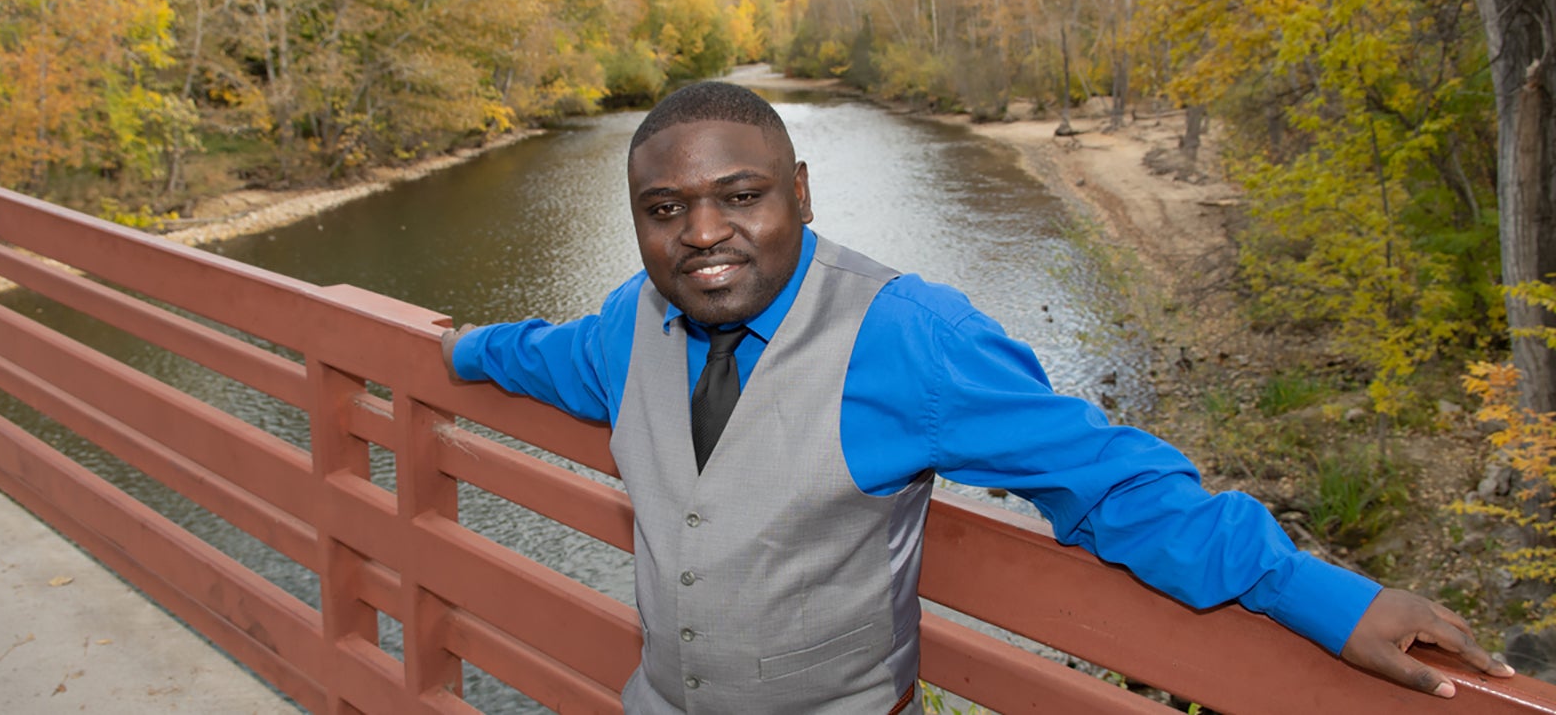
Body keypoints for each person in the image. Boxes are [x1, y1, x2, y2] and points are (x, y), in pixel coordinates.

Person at [441, 80, 1512, 713]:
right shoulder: (630, 322)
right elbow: (544, 355)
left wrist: (1326, 597)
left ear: (801, 193)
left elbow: (1104, 480)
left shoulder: (909, 337)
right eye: (665, 207)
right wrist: (461, 347)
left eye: (741, 196)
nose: (703, 232)